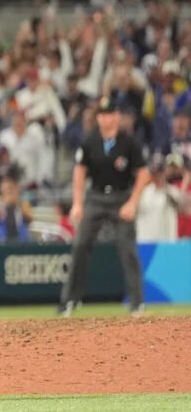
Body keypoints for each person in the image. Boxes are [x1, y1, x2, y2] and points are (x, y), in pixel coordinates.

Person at [59, 98, 149, 317]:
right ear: (98, 118)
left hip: (121, 197)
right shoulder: (90, 141)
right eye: (101, 115)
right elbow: (79, 172)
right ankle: (70, 300)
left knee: (128, 249)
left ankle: (137, 303)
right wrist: (77, 203)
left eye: (109, 114)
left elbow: (143, 173)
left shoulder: (129, 142)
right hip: (96, 197)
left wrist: (133, 203)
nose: (105, 119)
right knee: (80, 245)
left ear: (117, 117)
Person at [135, 155, 182, 243]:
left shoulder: (173, 191)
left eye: (160, 172)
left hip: (167, 243)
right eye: (155, 173)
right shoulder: (142, 193)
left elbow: (182, 206)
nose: (158, 176)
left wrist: (165, 188)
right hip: (146, 242)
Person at [0, 176, 33, 241]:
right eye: (6, 188)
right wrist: (3, 205)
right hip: (0, 239)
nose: (9, 190)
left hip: (21, 239)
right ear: (0, 188)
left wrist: (17, 205)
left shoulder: (23, 203)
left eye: (11, 188)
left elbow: (30, 220)